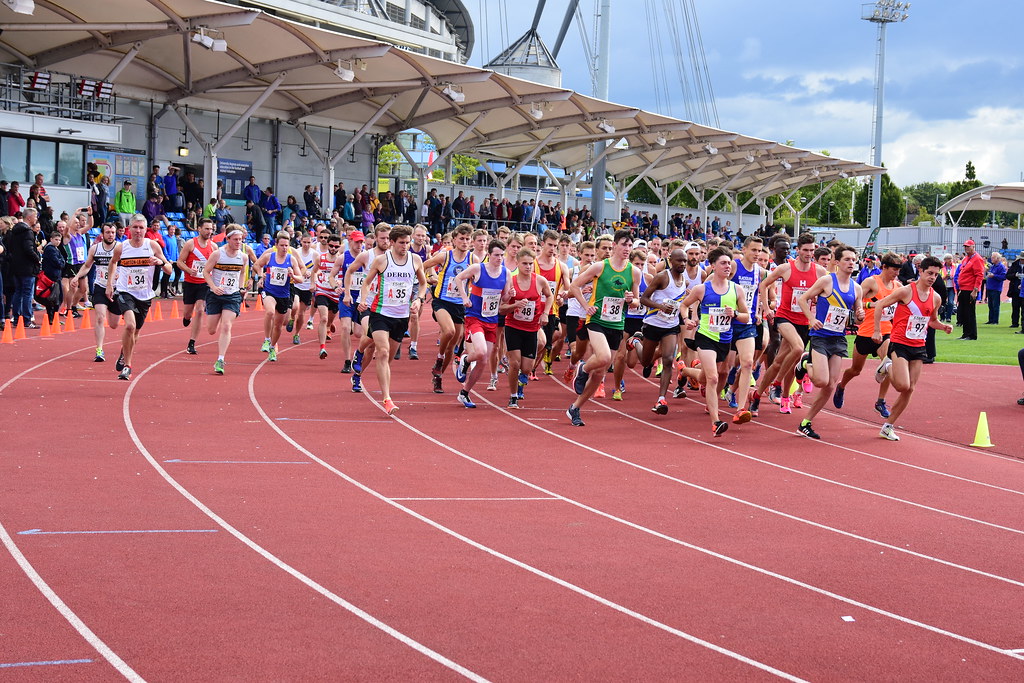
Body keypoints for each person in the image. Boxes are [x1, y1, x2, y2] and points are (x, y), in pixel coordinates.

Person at [565, 229, 642, 427]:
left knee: (601, 372)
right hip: (597, 320)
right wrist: (585, 306)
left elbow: (636, 302)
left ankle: (575, 408)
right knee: (605, 357)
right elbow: (574, 287)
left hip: (617, 323)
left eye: (630, 245)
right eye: (623, 244)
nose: (627, 249)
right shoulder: (600, 267)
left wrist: (631, 300)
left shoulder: (634, 271)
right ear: (615, 246)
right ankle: (582, 367)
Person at [872, 256, 953, 441]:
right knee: (902, 385)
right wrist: (877, 330)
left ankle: (887, 426)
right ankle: (887, 366)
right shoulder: (906, 291)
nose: (933, 277)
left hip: (918, 346)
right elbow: (880, 305)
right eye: (929, 273)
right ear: (921, 271)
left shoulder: (936, 298)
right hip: (899, 343)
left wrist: (943, 327)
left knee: (910, 389)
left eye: (936, 274)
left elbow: (931, 321)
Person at [679, 246, 752, 436]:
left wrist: (735, 314)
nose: (728, 266)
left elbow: (746, 317)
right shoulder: (702, 289)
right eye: (723, 263)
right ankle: (716, 422)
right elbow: (684, 305)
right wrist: (687, 319)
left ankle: (684, 370)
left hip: (725, 339)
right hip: (705, 337)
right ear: (712, 266)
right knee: (712, 378)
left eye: (729, 263)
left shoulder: (737, 290)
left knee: (705, 376)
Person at [794, 245, 864, 439]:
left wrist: (860, 315)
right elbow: (803, 299)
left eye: (853, 260)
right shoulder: (826, 281)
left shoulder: (856, 288)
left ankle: (805, 423)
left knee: (830, 386)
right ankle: (805, 363)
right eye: (847, 259)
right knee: (820, 380)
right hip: (820, 336)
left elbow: (857, 319)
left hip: (838, 338)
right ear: (837, 262)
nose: (851, 263)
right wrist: (810, 318)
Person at [357, 224, 428, 415]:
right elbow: (366, 282)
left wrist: (419, 300)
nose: (405, 246)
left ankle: (362, 353)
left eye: (408, 242)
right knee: (382, 351)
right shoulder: (382, 260)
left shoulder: (415, 260)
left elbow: (423, 283)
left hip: (401, 316)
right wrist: (363, 300)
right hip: (380, 312)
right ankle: (387, 399)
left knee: (387, 359)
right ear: (392, 242)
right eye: (402, 243)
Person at [105, 215, 173, 380]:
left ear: (146, 229)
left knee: (135, 333)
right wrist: (109, 283)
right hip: (125, 291)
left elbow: (169, 270)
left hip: (144, 295)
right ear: (129, 228)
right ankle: (128, 366)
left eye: (141, 228)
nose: (138, 231)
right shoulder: (122, 247)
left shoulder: (152, 246)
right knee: (129, 326)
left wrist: (160, 262)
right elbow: (113, 262)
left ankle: (124, 350)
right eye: (135, 227)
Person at [835, 251, 900, 418]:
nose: (897, 272)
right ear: (884, 267)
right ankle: (841, 386)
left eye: (899, 269)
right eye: (894, 269)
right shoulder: (872, 282)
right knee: (855, 370)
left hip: (886, 331)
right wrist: (871, 306)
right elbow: (854, 301)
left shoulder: (898, 287)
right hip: (866, 331)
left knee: (888, 364)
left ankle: (880, 401)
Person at [453, 239, 510, 408]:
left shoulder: (506, 273)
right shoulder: (479, 268)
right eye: (496, 255)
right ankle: (464, 360)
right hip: (475, 317)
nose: (499, 258)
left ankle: (464, 393)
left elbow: (504, 298)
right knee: (480, 352)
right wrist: (464, 297)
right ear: (489, 255)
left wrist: (510, 294)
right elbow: (458, 278)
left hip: (491, 319)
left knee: (484, 360)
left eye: (501, 255)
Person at [632, 247, 688, 415]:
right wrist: (660, 306)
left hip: (670, 326)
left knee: (669, 359)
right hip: (653, 324)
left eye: (685, 261)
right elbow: (643, 298)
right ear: (671, 261)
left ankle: (661, 399)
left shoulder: (684, 281)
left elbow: (681, 302)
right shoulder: (662, 277)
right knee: (645, 362)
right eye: (679, 260)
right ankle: (635, 342)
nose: (683, 264)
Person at [422, 223, 473, 393]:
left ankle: (438, 376)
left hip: (459, 305)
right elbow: (424, 265)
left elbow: (477, 279)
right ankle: (439, 358)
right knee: (449, 331)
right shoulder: (445, 256)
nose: (465, 242)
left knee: (453, 345)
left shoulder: (473, 260)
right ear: (454, 240)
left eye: (467, 239)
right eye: (461, 239)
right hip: (442, 301)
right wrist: (431, 277)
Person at [500, 247, 552, 408]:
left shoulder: (540, 281)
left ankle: (522, 380)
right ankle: (513, 396)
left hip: (532, 328)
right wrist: (515, 304)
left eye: (530, 263)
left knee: (526, 368)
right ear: (517, 263)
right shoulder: (511, 282)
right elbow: (501, 309)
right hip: (513, 326)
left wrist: (545, 313)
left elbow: (549, 296)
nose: (528, 267)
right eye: (524, 263)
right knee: (514, 363)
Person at [201, 226, 248, 374]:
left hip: (232, 296)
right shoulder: (217, 254)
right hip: (215, 295)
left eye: (240, 240)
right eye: (235, 239)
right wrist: (214, 287)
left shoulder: (243, 257)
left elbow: (242, 273)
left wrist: (241, 288)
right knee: (211, 330)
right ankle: (218, 314)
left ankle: (220, 359)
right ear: (227, 239)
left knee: (227, 326)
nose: (238, 242)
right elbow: (206, 272)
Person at [253, 232, 306, 361]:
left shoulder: (291, 259)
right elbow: (256, 265)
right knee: (270, 312)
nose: (284, 248)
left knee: (278, 325)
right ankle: (266, 340)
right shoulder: (269, 256)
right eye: (281, 245)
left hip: (284, 294)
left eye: (286, 245)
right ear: (276, 245)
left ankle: (272, 347)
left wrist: (293, 275)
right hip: (269, 291)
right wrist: (261, 276)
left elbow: (301, 279)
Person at [74, 223, 121, 361]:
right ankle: (99, 350)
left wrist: (120, 275)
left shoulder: (120, 248)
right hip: (100, 286)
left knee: (114, 324)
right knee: (100, 317)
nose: (111, 235)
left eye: (113, 232)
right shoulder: (95, 249)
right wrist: (77, 277)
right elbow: (87, 266)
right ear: (102, 234)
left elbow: (127, 266)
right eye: (108, 232)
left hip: (116, 288)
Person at [175, 218, 216, 355]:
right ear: (199, 229)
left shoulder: (214, 247)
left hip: (204, 284)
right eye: (206, 229)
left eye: (211, 229)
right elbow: (179, 262)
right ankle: (187, 318)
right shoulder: (190, 244)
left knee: (199, 310)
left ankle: (192, 342)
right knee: (188, 312)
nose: (209, 231)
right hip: (190, 282)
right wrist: (188, 270)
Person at [956, 239, 985, 340]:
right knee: (963, 312)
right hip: (963, 289)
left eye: (968, 246)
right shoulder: (966, 259)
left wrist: (975, 290)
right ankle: (966, 333)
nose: (966, 248)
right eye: (965, 246)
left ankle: (972, 334)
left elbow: (979, 275)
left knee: (969, 312)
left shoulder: (977, 259)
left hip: (970, 289)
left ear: (973, 247)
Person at [984, 252, 1007, 325]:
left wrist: (994, 276)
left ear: (997, 258)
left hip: (996, 288)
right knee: (990, 305)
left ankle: (995, 320)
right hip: (990, 287)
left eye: (993, 257)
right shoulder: (993, 266)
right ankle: (990, 319)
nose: (991, 259)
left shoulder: (1001, 267)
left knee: (995, 305)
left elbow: (1003, 277)